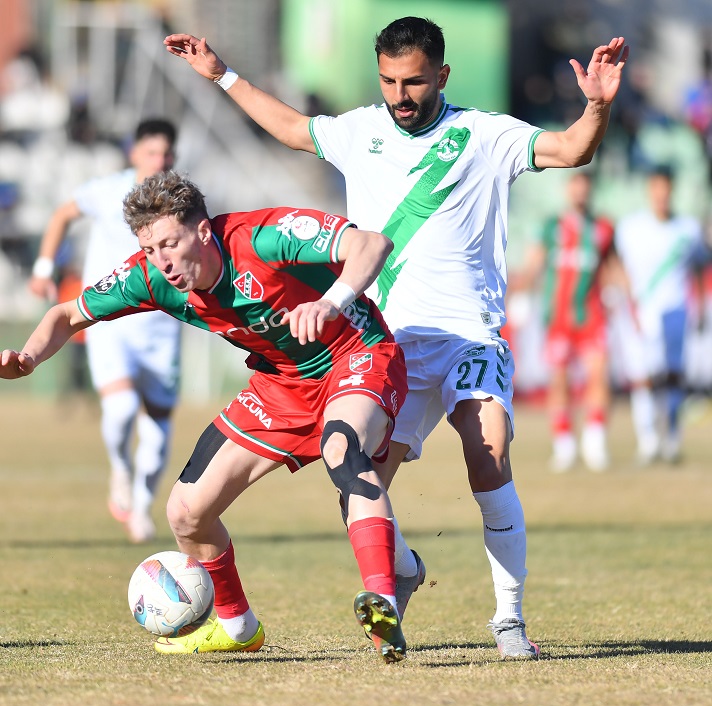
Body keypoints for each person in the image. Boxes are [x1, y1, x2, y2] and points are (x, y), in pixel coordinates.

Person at [164, 16, 628, 660]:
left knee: (486, 453)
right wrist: (222, 75)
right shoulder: (360, 131)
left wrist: (598, 105)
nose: (399, 96)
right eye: (388, 81)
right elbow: (294, 129)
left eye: (413, 82)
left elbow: (573, 149)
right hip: (389, 344)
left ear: (441, 74)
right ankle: (403, 569)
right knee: (358, 482)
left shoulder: (487, 135)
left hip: (469, 336)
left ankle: (509, 621)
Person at [2, 171, 409, 662]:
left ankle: (383, 607)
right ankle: (238, 628)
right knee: (186, 513)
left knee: (340, 447)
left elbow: (372, 244)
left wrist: (329, 302)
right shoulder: (149, 277)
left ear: (202, 231)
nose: (162, 262)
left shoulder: (264, 235)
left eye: (170, 244)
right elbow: (66, 316)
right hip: (281, 384)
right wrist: (26, 359)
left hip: (355, 353)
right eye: (151, 250)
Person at [29, 118, 182, 544]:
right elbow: (63, 213)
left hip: (162, 327)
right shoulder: (109, 190)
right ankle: (120, 469)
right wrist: (44, 269)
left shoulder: (181, 203)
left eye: (166, 154)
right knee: (119, 408)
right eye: (151, 152)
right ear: (135, 153)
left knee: (158, 429)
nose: (159, 161)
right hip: (109, 321)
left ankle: (141, 506)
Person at [518, 172, 617, 472]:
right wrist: (521, 297)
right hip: (558, 318)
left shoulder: (603, 228)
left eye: (584, 189)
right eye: (575, 189)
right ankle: (564, 444)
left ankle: (595, 441)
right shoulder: (553, 227)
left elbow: (612, 264)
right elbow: (534, 264)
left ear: (590, 192)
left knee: (598, 375)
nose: (579, 195)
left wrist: (621, 296)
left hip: (592, 316)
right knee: (559, 380)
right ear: (567, 191)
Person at [614, 166, 706, 464]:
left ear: (672, 190)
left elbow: (699, 268)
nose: (661, 194)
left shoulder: (688, 229)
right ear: (649, 190)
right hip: (642, 311)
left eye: (666, 188)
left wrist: (701, 304)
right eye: (656, 187)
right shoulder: (631, 228)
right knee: (644, 378)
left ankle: (673, 438)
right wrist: (628, 303)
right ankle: (649, 440)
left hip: (677, 309)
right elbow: (619, 267)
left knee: (674, 377)